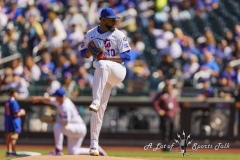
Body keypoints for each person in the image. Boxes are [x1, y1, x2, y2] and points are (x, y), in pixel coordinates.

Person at [80, 7, 131, 156]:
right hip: (102, 75)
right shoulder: (91, 34)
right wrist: (91, 50)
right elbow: (84, 53)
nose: (114, 21)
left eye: (115, 18)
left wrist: (106, 58)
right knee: (98, 112)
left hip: (117, 71)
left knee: (102, 64)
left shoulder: (119, 35)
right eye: (111, 18)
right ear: (102, 20)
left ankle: (95, 100)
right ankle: (93, 145)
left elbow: (127, 57)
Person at [31, 88, 107, 156]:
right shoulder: (61, 101)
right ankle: (95, 149)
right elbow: (49, 100)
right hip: (76, 128)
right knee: (73, 152)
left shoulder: (65, 106)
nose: (55, 97)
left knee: (57, 126)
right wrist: (38, 98)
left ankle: (58, 150)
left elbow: (65, 123)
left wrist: (53, 120)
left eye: (56, 96)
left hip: (77, 128)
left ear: (59, 97)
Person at [152, 81, 179, 151]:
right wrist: (159, 110)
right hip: (165, 115)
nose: (169, 88)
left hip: (172, 115)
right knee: (165, 131)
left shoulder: (172, 95)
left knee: (171, 131)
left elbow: (176, 104)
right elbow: (155, 103)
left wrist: (175, 110)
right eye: (168, 86)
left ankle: (169, 145)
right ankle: (165, 147)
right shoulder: (161, 95)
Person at [5, 87, 26, 157]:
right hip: (14, 123)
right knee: (13, 138)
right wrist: (22, 112)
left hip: (8, 122)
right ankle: (13, 151)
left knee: (8, 138)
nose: (17, 94)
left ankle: (9, 151)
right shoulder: (13, 102)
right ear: (13, 93)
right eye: (16, 92)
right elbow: (15, 114)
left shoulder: (8, 102)